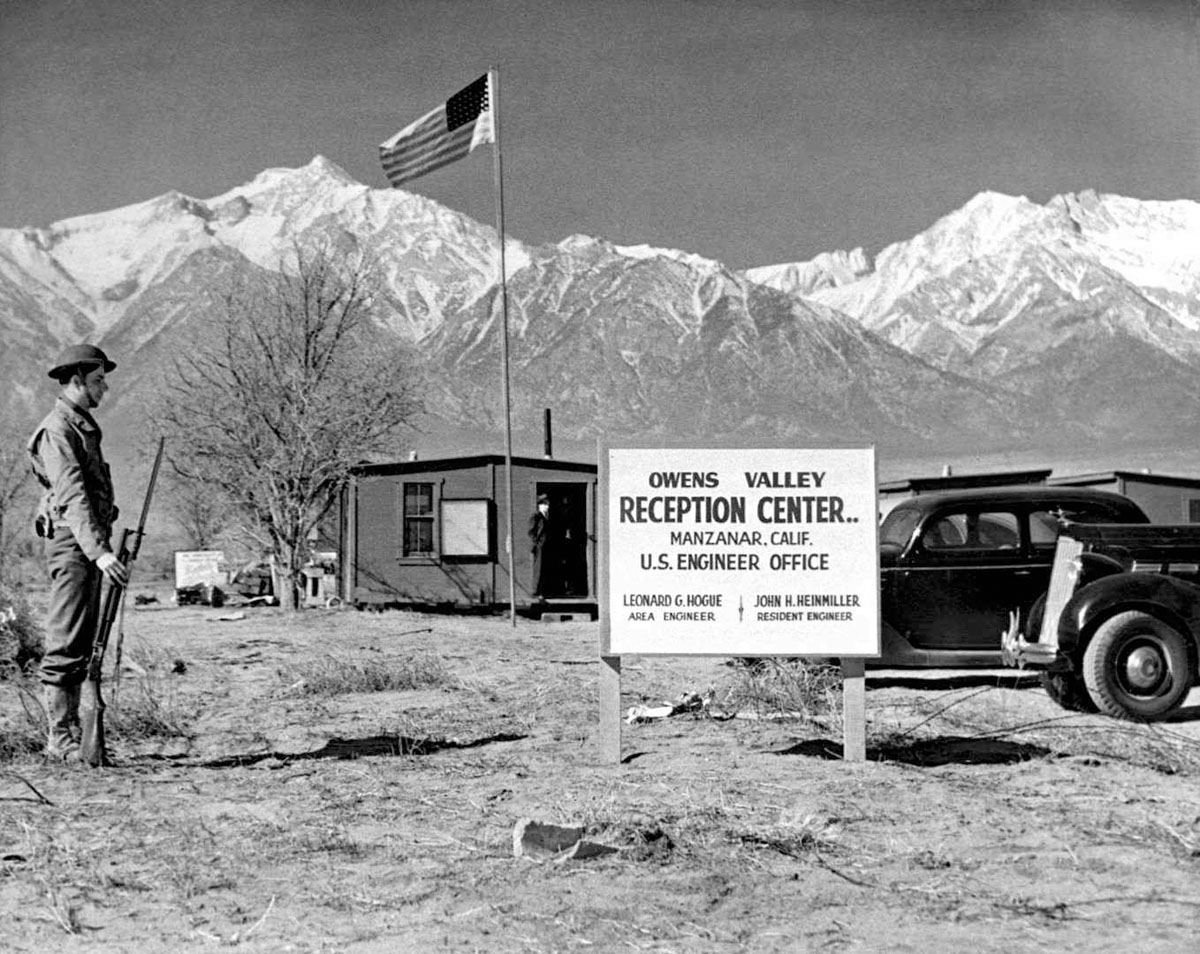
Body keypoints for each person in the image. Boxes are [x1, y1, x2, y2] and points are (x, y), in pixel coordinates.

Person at [27, 344, 127, 760]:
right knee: (67, 637)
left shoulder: (80, 425)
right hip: (73, 543)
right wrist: (100, 552)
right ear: (75, 382)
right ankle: (61, 740)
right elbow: (71, 497)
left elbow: (90, 492)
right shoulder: (58, 429)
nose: (105, 387)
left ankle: (75, 736)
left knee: (87, 640)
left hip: (85, 539)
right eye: (98, 379)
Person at [528, 493, 554, 599]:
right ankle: (536, 591)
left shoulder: (546, 516)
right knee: (539, 568)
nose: (547, 506)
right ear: (539, 505)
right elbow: (531, 532)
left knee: (545, 568)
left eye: (547, 504)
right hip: (540, 546)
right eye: (545, 504)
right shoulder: (536, 516)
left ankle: (543, 591)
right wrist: (536, 543)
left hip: (546, 545)